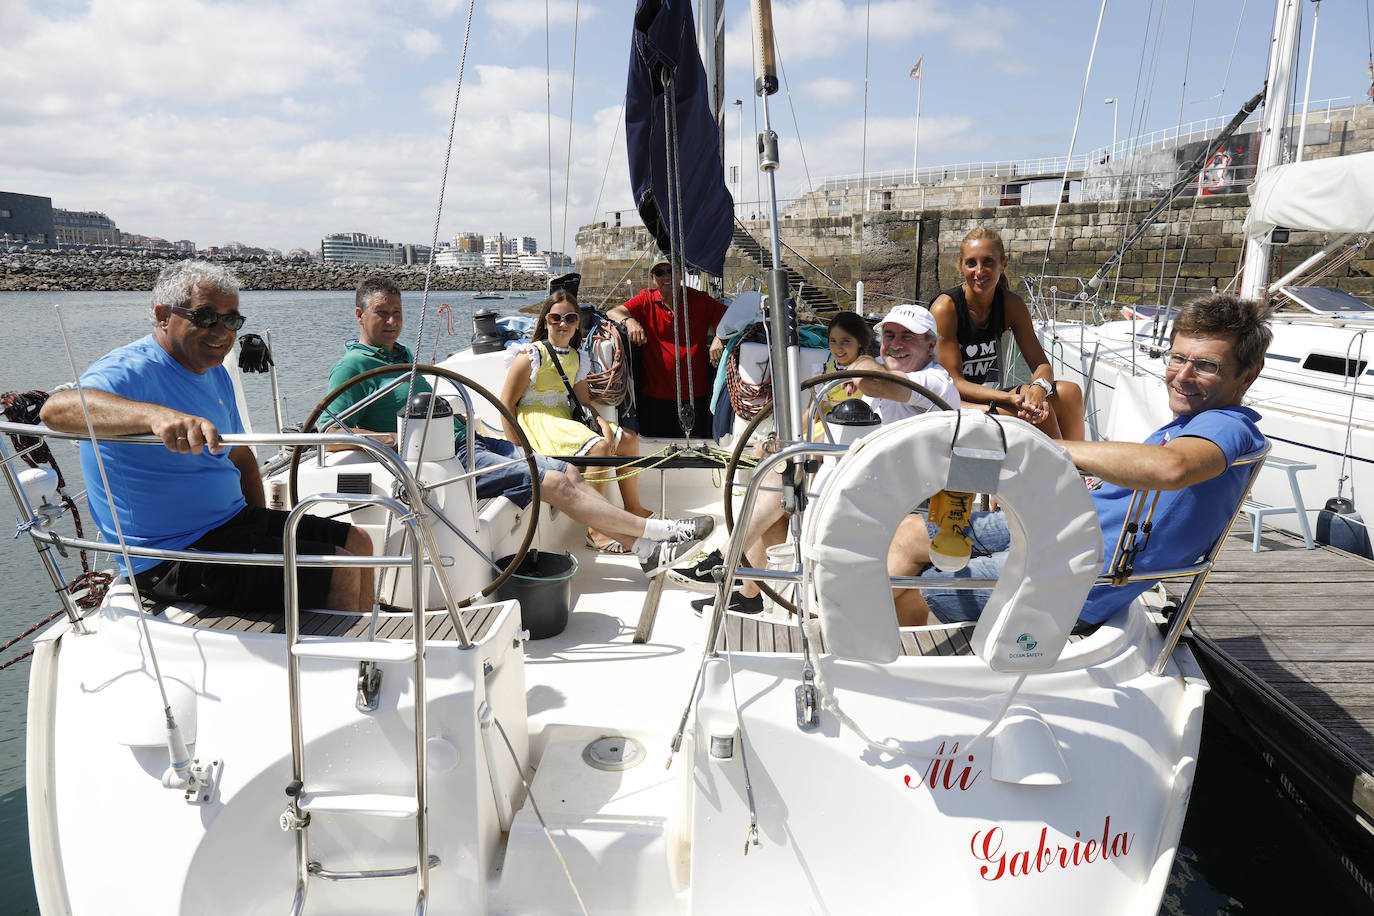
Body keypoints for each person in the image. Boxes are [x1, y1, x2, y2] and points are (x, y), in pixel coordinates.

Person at [888, 293, 1271, 628]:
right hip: (1062, 531)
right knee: (909, 533)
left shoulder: (1226, 425)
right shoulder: (1193, 423)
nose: (1183, 375)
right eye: (1178, 358)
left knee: (922, 582)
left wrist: (1044, 448)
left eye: (1206, 365)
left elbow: (1173, 468)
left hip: (1073, 579)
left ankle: (896, 669)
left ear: (1247, 377)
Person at [39, 261, 376, 613]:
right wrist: (156, 417)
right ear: (163, 316)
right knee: (339, 569)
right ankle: (346, 645)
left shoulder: (215, 373)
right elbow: (57, 411)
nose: (221, 331)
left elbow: (241, 457)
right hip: (170, 555)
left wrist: (263, 531)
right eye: (205, 317)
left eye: (232, 320)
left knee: (359, 541)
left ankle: (367, 641)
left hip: (232, 524)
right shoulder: (131, 369)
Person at [325, 276, 713, 574]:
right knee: (556, 481)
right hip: (446, 460)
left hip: (469, 442)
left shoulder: (400, 354)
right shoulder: (353, 366)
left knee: (569, 473)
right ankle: (660, 533)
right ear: (360, 316)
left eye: (397, 313)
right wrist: (399, 438)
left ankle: (645, 550)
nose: (392, 321)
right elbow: (329, 435)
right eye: (382, 313)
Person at [687, 304, 960, 615]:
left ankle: (725, 559)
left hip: (912, 502)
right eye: (889, 335)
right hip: (876, 488)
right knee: (781, 485)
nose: (895, 344)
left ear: (930, 345)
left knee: (780, 482)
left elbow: (874, 383)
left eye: (907, 336)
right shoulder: (887, 376)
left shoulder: (933, 382)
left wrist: (866, 361)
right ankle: (749, 593)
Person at [500, 290, 651, 552]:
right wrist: (516, 446)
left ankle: (633, 507)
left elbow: (583, 402)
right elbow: (506, 403)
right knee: (600, 448)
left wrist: (602, 424)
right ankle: (597, 531)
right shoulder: (531, 355)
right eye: (556, 318)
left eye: (570, 318)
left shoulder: (577, 357)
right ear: (545, 320)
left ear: (578, 323)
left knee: (628, 440)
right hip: (538, 423)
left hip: (564, 419)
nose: (563, 323)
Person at [930, 227, 1085, 440]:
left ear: (1003, 264)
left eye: (988, 262)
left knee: (1070, 393)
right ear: (961, 267)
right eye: (971, 263)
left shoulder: (1011, 304)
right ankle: (1065, 459)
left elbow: (1041, 365)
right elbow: (954, 382)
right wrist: (1011, 399)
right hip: (950, 401)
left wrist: (1038, 389)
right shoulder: (946, 308)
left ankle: (1079, 460)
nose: (979, 271)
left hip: (990, 397)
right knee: (1038, 412)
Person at [606, 251, 728, 438]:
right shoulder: (646, 299)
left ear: (681, 274)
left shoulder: (700, 300)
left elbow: (731, 317)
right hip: (655, 399)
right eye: (660, 272)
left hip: (695, 396)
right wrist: (629, 321)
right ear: (653, 278)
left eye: (671, 271)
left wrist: (720, 337)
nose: (666, 276)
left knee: (697, 447)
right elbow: (613, 312)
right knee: (657, 447)